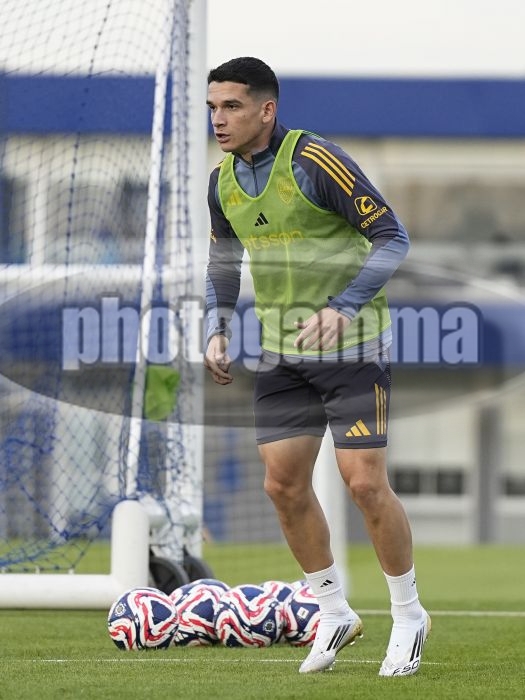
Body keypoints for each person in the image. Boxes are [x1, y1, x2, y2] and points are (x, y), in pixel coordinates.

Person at [204, 56, 430, 676]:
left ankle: (408, 613)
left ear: (266, 110)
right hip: (282, 353)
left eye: (231, 107)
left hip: (354, 349)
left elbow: (392, 237)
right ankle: (333, 611)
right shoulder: (221, 183)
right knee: (281, 485)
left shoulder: (314, 160)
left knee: (363, 483)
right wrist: (217, 328)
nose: (219, 120)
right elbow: (223, 263)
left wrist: (343, 307)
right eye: (213, 108)